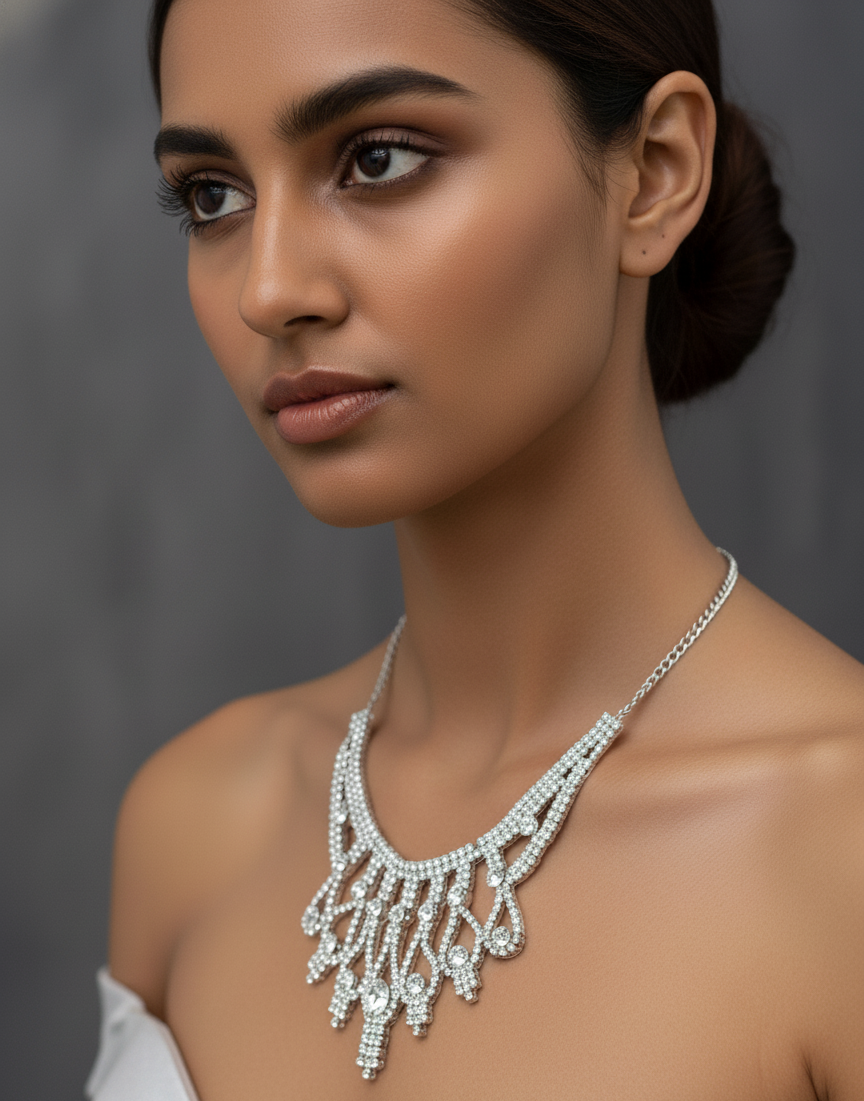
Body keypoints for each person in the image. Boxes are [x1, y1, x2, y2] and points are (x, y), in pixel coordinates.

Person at [87, 0, 863, 1097]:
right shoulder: (195, 821)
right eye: (212, 197)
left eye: (378, 159)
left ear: (654, 171)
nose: (269, 290)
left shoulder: (842, 856)